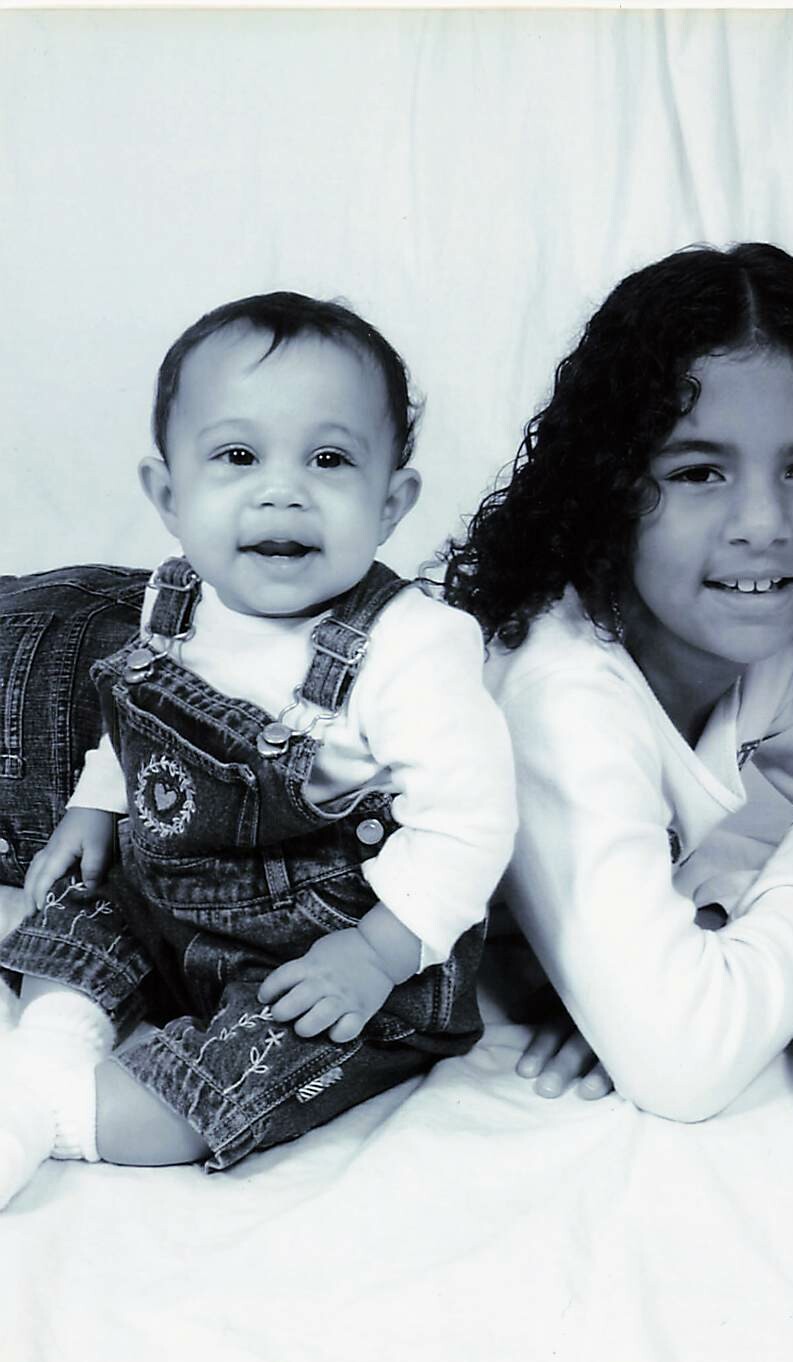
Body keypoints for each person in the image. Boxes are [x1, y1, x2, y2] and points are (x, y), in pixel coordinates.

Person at [0, 291, 516, 1206]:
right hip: (171, 897)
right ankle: (51, 1044)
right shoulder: (177, 599)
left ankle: (56, 1111)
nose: (283, 490)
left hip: (329, 951)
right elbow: (133, 715)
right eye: (238, 456)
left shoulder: (412, 644)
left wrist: (378, 953)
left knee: (221, 1090)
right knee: (73, 916)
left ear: (392, 502)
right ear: (169, 495)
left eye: (329, 459)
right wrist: (96, 804)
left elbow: (470, 823)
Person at [442, 242, 793, 1118]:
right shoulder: (561, 693)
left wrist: (706, 938)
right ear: (607, 490)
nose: (762, 524)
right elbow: (682, 1065)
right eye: (696, 472)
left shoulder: (778, 641)